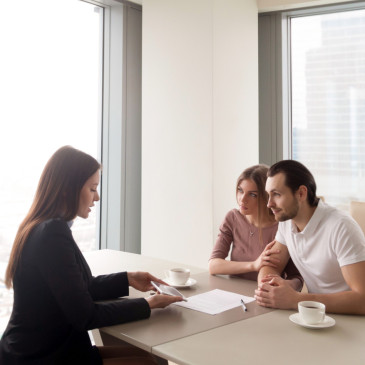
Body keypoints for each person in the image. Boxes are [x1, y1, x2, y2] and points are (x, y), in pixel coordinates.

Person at [0, 146, 183, 365]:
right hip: (41, 356)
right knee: (150, 363)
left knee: (152, 360)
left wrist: (128, 278)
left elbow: (80, 288)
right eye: (92, 188)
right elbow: (85, 315)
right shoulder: (52, 234)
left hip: (47, 349)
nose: (96, 198)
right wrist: (149, 304)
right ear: (68, 189)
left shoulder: (45, 227)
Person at [255, 160, 365, 314]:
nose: (269, 204)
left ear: (301, 193)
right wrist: (269, 289)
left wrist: (295, 299)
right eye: (268, 195)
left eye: (277, 194)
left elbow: (362, 300)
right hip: (313, 315)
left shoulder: (341, 227)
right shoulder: (287, 221)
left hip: (350, 320)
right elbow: (272, 264)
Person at [209, 164, 303, 289]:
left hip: (266, 297)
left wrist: (287, 285)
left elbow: (297, 278)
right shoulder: (232, 218)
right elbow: (213, 265)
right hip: (232, 294)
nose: (242, 199)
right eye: (240, 190)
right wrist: (253, 265)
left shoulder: (283, 227)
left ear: (267, 197)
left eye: (252, 195)